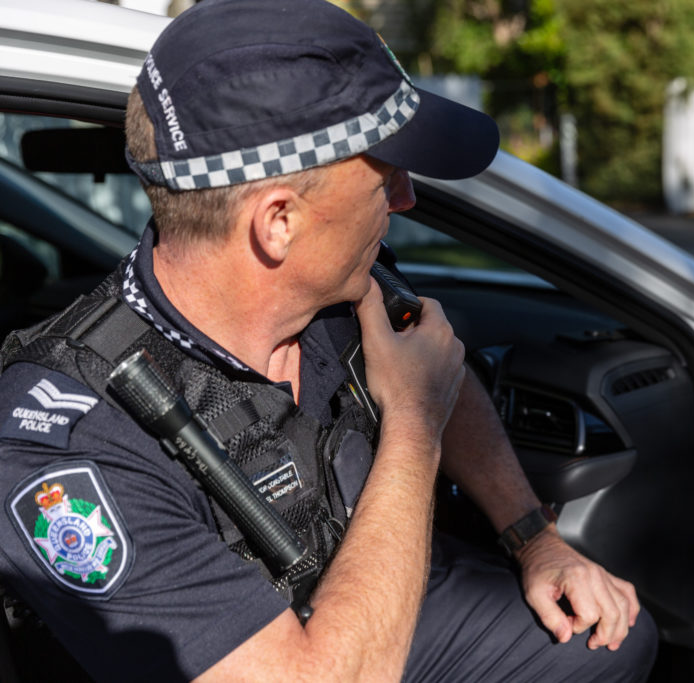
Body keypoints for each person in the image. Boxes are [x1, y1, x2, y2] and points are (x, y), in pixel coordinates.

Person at [0, 0, 658, 680]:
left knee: (604, 639)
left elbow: (432, 362)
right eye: (384, 175)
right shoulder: (71, 450)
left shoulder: (344, 289)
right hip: (295, 662)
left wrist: (534, 538)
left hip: (359, 602)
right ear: (278, 222)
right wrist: (413, 423)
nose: (405, 198)